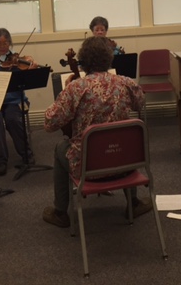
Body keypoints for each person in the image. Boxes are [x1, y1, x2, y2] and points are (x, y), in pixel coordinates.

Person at [41, 36, 152, 228]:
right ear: (109, 59)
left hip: (89, 168)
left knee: (60, 148)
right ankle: (133, 203)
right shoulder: (125, 82)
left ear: (83, 61)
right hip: (125, 163)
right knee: (123, 139)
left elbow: (49, 123)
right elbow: (140, 103)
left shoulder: (75, 88)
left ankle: (60, 212)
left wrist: (66, 92)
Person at [0, 28, 38, 176]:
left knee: (12, 119)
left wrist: (31, 71)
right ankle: (0, 160)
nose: (3, 46)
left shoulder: (16, 60)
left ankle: (26, 154)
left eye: (6, 43)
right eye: (0, 43)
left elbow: (27, 82)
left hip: (13, 101)